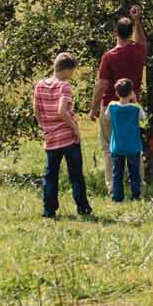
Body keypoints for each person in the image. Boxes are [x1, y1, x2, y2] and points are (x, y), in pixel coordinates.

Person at [33, 53, 93, 219]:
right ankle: (82, 207)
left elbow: (36, 111)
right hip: (67, 136)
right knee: (75, 174)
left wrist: (44, 126)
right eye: (72, 71)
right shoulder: (64, 86)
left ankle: (49, 209)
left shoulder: (39, 85)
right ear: (66, 70)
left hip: (51, 137)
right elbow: (62, 111)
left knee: (51, 175)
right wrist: (74, 127)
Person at [94, 6, 147, 153]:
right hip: (132, 104)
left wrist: (94, 108)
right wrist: (137, 21)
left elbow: (102, 85)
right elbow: (143, 42)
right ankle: (137, 176)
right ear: (131, 33)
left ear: (116, 33)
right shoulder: (138, 50)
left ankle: (114, 177)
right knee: (133, 146)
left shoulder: (109, 56)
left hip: (111, 105)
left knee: (109, 148)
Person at [105, 77, 145, 203]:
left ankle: (117, 197)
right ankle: (135, 196)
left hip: (117, 146)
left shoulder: (112, 107)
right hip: (133, 146)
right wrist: (135, 100)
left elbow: (107, 117)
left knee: (117, 173)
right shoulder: (136, 109)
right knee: (134, 173)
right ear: (131, 92)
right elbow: (143, 118)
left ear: (117, 93)